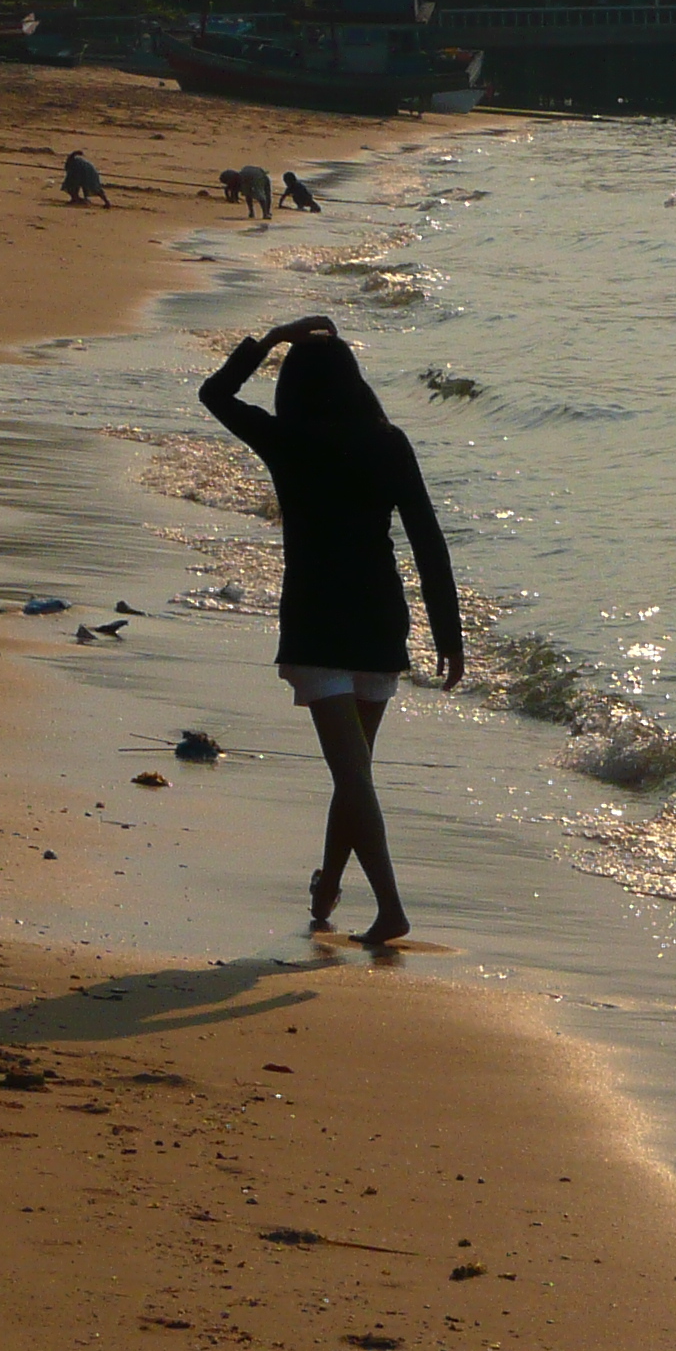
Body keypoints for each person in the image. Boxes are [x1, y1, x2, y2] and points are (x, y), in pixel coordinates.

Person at [198, 316, 463, 945]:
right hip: (378, 621)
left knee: (353, 776)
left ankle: (391, 908)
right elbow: (428, 540)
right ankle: (328, 889)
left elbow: (214, 395)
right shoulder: (388, 442)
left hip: (319, 622)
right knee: (355, 774)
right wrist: (447, 633)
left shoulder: (287, 439)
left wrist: (268, 340)